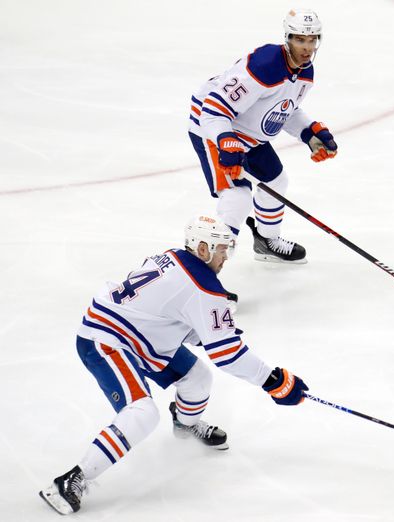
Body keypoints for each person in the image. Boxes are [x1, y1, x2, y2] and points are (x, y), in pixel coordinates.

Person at [39, 215, 309, 515]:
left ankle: (185, 422)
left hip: (141, 335)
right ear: (203, 249)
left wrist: (207, 330)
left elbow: (166, 307)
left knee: (198, 378)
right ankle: (72, 479)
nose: (226, 257)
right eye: (222, 250)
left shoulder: (170, 257)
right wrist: (273, 381)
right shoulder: (205, 289)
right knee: (142, 413)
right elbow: (228, 355)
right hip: (106, 338)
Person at [188, 8, 338, 266]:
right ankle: (206, 269)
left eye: (312, 39)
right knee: (238, 196)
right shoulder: (265, 64)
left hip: (248, 134)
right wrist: (227, 141)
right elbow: (213, 110)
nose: (307, 47)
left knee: (276, 182)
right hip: (212, 128)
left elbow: (284, 109)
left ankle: (266, 242)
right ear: (288, 38)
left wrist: (310, 133)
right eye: (300, 39)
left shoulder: (305, 71)